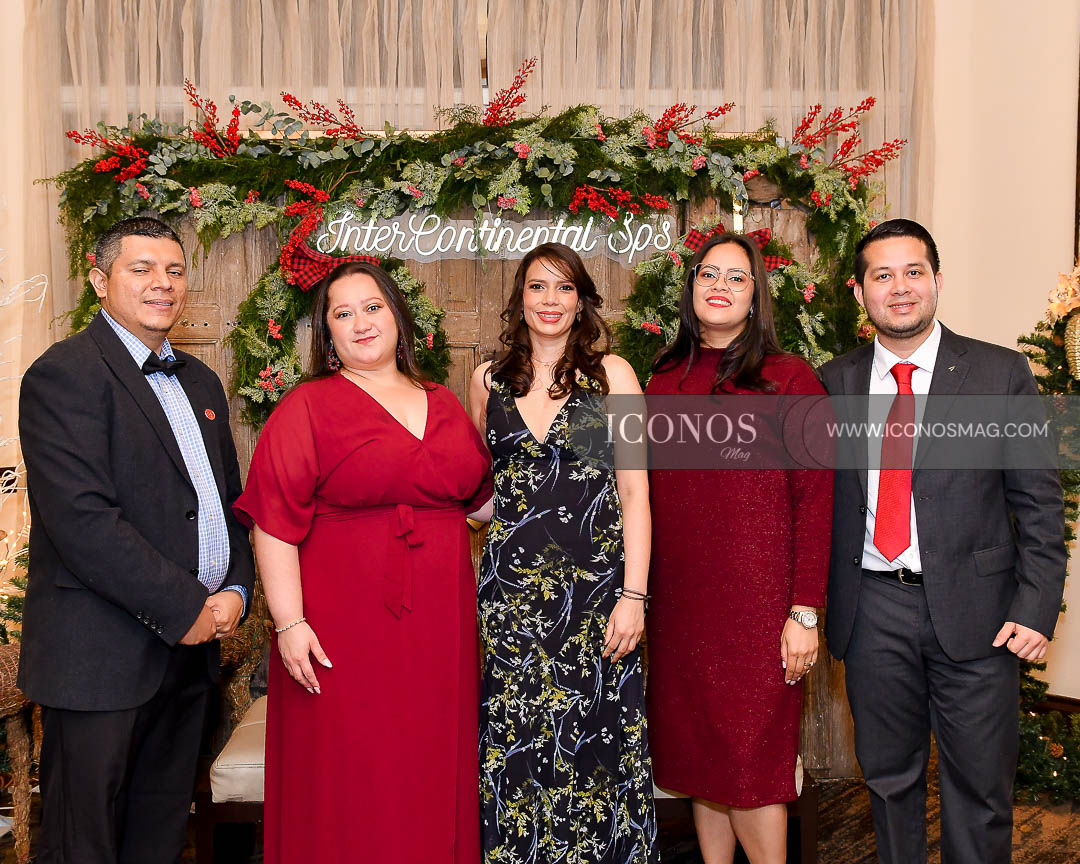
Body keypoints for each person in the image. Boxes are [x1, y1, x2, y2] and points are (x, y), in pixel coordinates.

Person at [820, 218, 1067, 864]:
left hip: (981, 614)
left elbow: (1039, 503)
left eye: (914, 272)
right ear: (859, 292)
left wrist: (1036, 606)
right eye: (883, 275)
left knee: (980, 791)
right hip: (871, 610)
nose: (900, 288)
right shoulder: (833, 382)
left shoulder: (998, 373)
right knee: (888, 782)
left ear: (936, 280)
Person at [234, 260, 492, 864]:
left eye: (373, 307)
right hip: (341, 631)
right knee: (350, 770)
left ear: (397, 317)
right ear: (328, 335)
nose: (361, 323)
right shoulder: (306, 406)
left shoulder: (444, 402)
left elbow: (483, 502)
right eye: (343, 314)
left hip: (437, 630)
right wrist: (289, 623)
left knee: (428, 763)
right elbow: (272, 522)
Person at [17, 216, 255, 863]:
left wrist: (236, 589)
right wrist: (189, 607)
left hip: (188, 662)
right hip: (99, 661)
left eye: (174, 270)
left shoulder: (201, 382)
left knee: (159, 840)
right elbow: (83, 523)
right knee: (84, 846)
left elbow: (227, 505)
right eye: (141, 268)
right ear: (100, 280)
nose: (162, 283)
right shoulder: (63, 374)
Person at [645, 232, 833, 864]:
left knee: (752, 768)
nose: (719, 285)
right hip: (681, 609)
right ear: (691, 287)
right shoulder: (664, 377)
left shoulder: (790, 379)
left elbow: (817, 501)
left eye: (737, 276)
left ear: (757, 296)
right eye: (708, 274)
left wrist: (804, 611)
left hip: (760, 613)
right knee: (704, 761)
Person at [468, 242, 658, 864]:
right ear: (519, 298)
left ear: (581, 302)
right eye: (537, 287)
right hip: (512, 599)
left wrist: (634, 596)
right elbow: (487, 488)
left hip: (598, 596)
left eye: (564, 288)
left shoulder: (613, 376)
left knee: (599, 745)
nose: (550, 300)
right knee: (519, 742)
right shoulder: (487, 380)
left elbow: (635, 492)